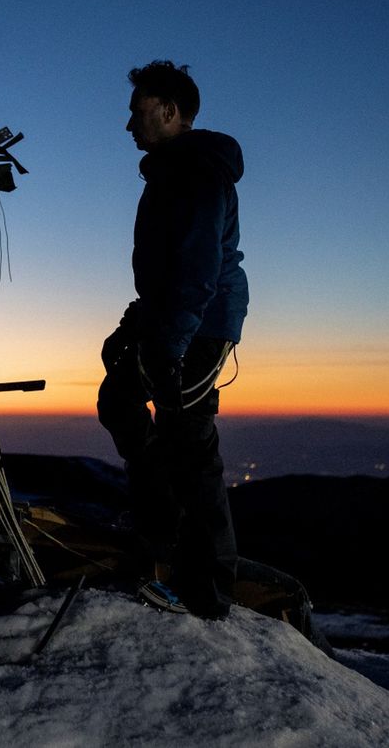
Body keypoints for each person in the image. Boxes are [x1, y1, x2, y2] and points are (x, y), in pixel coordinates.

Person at [98, 59, 247, 619]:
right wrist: (134, 325)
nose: (128, 124)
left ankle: (210, 588)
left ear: (169, 111)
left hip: (200, 322)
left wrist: (170, 344)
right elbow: (166, 271)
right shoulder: (170, 170)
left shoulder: (197, 173)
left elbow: (198, 270)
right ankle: (160, 531)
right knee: (120, 402)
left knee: (189, 437)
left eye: (137, 112)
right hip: (171, 315)